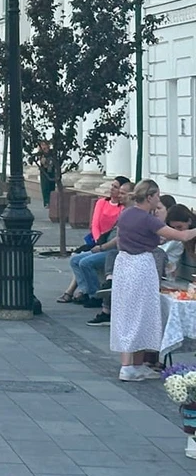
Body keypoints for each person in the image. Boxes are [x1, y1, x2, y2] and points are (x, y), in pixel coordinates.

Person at [110, 179, 196, 381]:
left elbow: (125, 238)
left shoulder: (127, 213)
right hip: (141, 265)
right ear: (149, 197)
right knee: (141, 313)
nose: (158, 199)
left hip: (124, 264)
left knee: (127, 312)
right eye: (157, 196)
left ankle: (135, 365)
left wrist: (154, 240)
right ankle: (129, 367)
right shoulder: (148, 219)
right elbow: (182, 236)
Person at [57, 176, 131, 304]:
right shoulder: (102, 202)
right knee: (75, 258)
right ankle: (85, 290)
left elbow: (118, 238)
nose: (115, 191)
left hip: (110, 248)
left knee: (85, 262)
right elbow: (95, 224)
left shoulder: (125, 210)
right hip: (99, 241)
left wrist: (102, 247)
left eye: (118, 189)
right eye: (112, 186)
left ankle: (94, 295)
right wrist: (98, 242)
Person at [36, 140, 57, 209]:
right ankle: (46, 202)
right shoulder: (41, 154)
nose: (44, 146)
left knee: (51, 186)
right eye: (42, 145)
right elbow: (42, 163)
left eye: (45, 145)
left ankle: (52, 201)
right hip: (44, 171)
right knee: (45, 187)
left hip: (51, 171)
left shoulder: (52, 152)